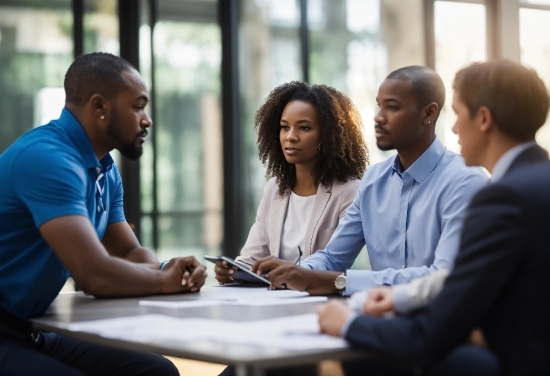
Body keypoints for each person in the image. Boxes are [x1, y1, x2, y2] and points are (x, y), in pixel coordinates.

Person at [318, 60, 550, 375]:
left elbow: (429, 334)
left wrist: (349, 324)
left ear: (483, 119)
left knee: (349, 361)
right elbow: (460, 279)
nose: (453, 128)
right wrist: (399, 297)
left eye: (457, 114)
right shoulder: (534, 183)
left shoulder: (503, 197)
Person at [0, 53, 208, 375]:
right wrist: (162, 281)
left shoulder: (104, 171)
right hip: (7, 332)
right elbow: (93, 275)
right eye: (138, 106)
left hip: (28, 328)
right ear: (99, 107)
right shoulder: (48, 159)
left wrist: (168, 270)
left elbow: (127, 251)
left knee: (156, 371)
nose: (147, 119)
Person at [252, 66, 487, 296]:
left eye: (392, 107)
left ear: (429, 113)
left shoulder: (465, 182)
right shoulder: (373, 181)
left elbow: (444, 276)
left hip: (440, 325)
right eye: (379, 106)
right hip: (379, 317)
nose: (378, 118)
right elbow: (333, 256)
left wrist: (343, 282)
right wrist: (295, 271)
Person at [215, 81, 368, 284]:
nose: (290, 137)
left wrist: (291, 272)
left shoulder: (350, 192)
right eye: (284, 127)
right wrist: (234, 271)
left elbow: (334, 260)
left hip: (318, 300)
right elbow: (252, 257)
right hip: (274, 300)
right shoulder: (274, 189)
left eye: (304, 128)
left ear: (328, 135)